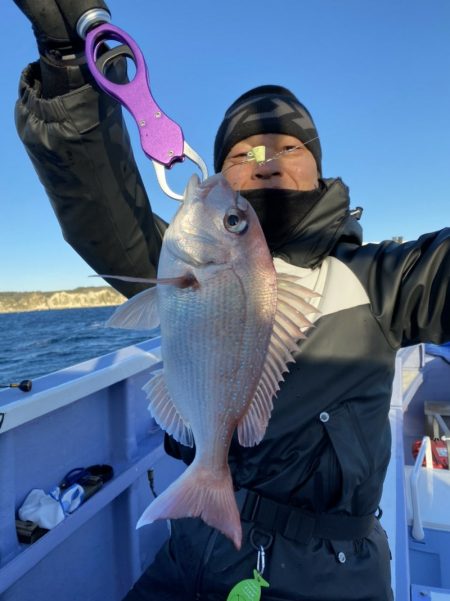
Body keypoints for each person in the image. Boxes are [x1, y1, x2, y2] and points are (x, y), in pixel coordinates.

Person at [11, 2, 450, 600]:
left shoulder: (383, 278)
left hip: (327, 575)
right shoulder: (181, 260)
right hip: (191, 550)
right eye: (242, 154)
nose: (264, 158)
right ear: (216, 174)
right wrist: (69, 75)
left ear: (320, 168)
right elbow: (100, 207)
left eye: (287, 147)